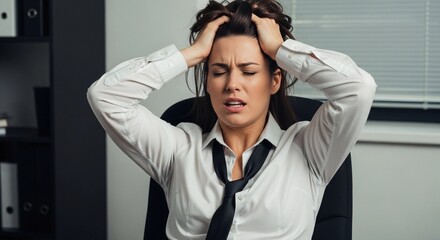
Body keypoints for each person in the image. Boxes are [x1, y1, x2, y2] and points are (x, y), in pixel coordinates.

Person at [87, 0, 376, 239]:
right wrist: (192, 54)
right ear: (208, 82)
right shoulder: (177, 149)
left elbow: (358, 89)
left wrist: (279, 50)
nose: (232, 84)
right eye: (219, 71)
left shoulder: (309, 149)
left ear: (275, 81)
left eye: (249, 72)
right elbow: (104, 96)